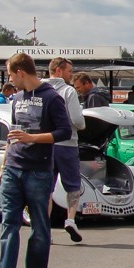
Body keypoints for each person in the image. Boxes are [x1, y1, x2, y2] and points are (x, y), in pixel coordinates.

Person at [0, 53, 72, 268]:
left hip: (39, 169)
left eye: (11, 75)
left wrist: (33, 138)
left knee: (39, 224)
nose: (10, 80)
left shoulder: (52, 97)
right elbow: (13, 135)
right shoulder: (17, 98)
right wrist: (4, 165)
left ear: (21, 72)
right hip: (13, 167)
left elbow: (64, 131)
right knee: (9, 223)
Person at [45, 57, 87, 242]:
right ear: (59, 71)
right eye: (70, 71)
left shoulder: (41, 89)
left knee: (47, 187)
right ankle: (70, 219)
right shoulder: (68, 91)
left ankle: (45, 227)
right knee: (73, 185)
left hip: (45, 143)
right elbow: (77, 119)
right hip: (67, 143)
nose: (72, 75)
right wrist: (82, 125)